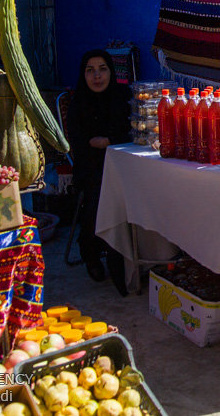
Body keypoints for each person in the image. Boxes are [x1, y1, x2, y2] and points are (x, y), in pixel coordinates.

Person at [68, 49, 132, 295]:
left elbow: (133, 132)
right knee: (98, 194)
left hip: (125, 164)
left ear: (111, 71)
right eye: (90, 70)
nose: (97, 76)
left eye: (102, 69)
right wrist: (103, 144)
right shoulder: (78, 104)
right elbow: (80, 142)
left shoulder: (123, 97)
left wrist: (109, 140)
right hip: (93, 166)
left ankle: (135, 254)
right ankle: (92, 255)